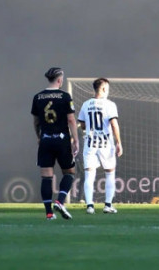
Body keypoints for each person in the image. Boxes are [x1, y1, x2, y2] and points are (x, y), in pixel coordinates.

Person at [31, 67, 80, 220]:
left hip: (45, 139)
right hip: (61, 140)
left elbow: (36, 121)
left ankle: (49, 213)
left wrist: (38, 136)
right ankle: (59, 201)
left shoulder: (37, 97)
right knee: (70, 172)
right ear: (59, 80)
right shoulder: (65, 96)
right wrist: (76, 140)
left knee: (46, 177)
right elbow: (71, 119)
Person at [78, 77, 123, 214]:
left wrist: (90, 129)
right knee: (110, 173)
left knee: (89, 175)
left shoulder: (86, 104)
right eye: (107, 89)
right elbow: (114, 124)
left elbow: (83, 124)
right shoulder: (110, 105)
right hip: (105, 144)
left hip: (90, 143)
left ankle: (90, 206)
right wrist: (119, 142)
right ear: (103, 89)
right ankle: (107, 205)